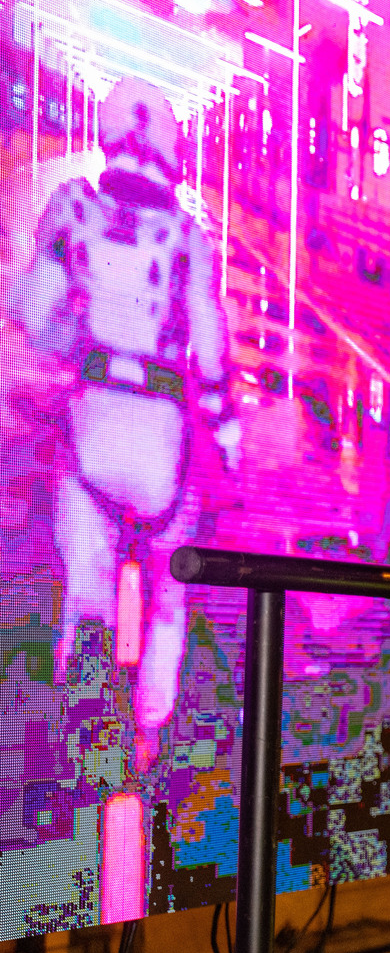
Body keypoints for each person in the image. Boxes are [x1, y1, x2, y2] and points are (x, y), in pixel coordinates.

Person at [10, 76, 237, 772]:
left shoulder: (74, 209)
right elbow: (211, 345)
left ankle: (79, 720)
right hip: (162, 455)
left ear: (108, 136)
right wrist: (226, 436)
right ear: (173, 149)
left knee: (85, 584)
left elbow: (31, 308)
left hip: (92, 443)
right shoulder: (189, 237)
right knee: (170, 587)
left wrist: (76, 350)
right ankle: (150, 729)